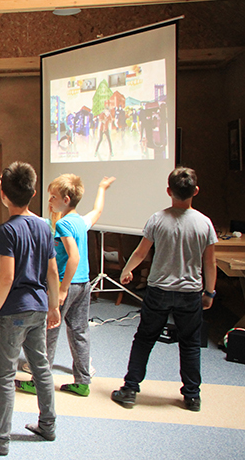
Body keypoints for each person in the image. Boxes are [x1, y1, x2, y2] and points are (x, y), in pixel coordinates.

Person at [0, 161, 60, 456]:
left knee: (5, 376)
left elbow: (6, 278)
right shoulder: (44, 226)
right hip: (39, 307)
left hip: (13, 313)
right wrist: (54, 306)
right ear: (33, 192)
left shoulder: (7, 230)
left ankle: (0, 440)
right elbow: (52, 271)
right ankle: (48, 426)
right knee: (41, 368)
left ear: (3, 194)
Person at [111, 167, 217, 412]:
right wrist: (209, 292)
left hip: (159, 290)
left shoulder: (157, 219)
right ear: (196, 191)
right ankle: (192, 396)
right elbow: (209, 262)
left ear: (169, 191)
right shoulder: (205, 223)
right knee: (190, 344)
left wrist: (127, 269)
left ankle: (130, 389)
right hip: (190, 292)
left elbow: (141, 252)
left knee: (144, 339)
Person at [17, 174, 115, 397]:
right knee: (80, 332)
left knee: (47, 333)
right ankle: (82, 382)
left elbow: (74, 257)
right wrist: (102, 188)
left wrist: (61, 290)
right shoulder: (80, 221)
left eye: (53, 197)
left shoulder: (62, 224)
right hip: (84, 285)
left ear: (66, 199)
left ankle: (39, 381)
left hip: (65, 285)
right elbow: (97, 210)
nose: (50, 201)